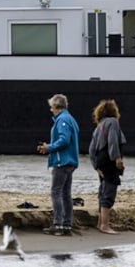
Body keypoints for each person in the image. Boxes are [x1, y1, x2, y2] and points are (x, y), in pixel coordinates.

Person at [37, 94, 80, 236]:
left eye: (51, 107)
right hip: (71, 162)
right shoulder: (71, 119)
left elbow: (64, 140)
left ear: (56, 107)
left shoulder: (62, 120)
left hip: (62, 162)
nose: (51, 110)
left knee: (56, 192)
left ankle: (58, 224)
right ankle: (67, 224)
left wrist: (48, 147)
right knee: (66, 193)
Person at [88, 99, 126, 234]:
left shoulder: (99, 126)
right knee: (110, 189)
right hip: (109, 162)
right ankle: (105, 225)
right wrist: (117, 159)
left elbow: (91, 149)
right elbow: (113, 142)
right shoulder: (113, 122)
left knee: (103, 190)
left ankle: (100, 223)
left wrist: (95, 166)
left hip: (100, 162)